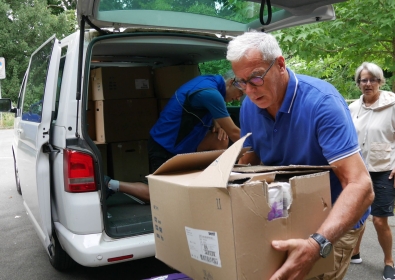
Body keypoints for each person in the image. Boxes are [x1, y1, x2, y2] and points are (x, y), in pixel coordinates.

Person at [226, 31, 374, 280]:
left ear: (280, 64)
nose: (249, 91)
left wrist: (317, 244)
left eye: (256, 78)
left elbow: (361, 186)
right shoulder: (249, 107)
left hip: (333, 219)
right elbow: (252, 158)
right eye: (241, 82)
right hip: (284, 213)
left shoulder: (322, 103)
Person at [104, 73, 244, 201]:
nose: (238, 98)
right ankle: (111, 184)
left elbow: (207, 107)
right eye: (240, 93)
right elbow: (233, 132)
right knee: (160, 196)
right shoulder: (209, 93)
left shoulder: (211, 82)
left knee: (220, 138)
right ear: (231, 82)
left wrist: (217, 124)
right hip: (165, 147)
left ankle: (207, 182)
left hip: (183, 147)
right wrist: (257, 148)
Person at [348, 62, 395, 280]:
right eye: (363, 80)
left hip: (384, 171)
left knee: (379, 220)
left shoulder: (393, 106)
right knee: (357, 216)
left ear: (380, 81)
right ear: (358, 83)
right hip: (359, 171)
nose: (368, 84)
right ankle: (355, 252)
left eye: (372, 79)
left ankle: (389, 261)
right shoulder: (352, 108)